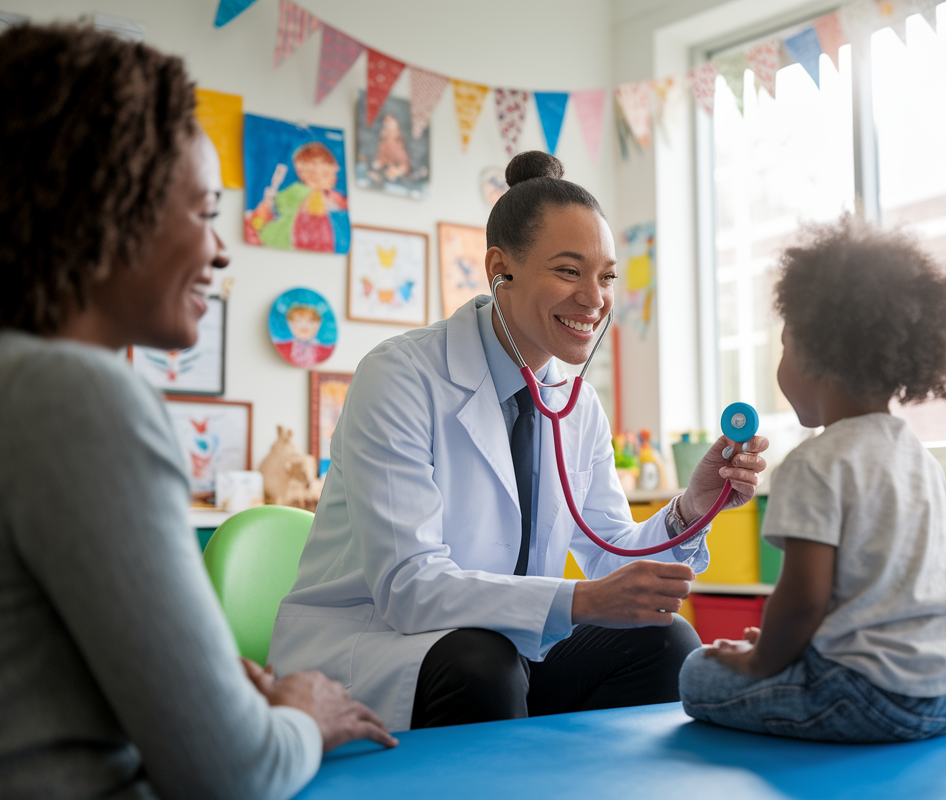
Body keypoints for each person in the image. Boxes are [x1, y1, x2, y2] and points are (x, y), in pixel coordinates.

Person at [0, 24, 395, 799]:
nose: (220, 251)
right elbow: (234, 773)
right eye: (206, 212)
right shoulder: (73, 397)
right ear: (113, 205)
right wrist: (302, 710)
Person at [269, 151, 770, 732]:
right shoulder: (400, 375)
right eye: (568, 270)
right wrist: (580, 602)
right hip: (375, 644)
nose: (595, 298)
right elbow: (406, 586)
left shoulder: (575, 401)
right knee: (484, 663)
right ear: (499, 268)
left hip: (504, 643)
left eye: (606, 276)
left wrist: (692, 506)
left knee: (664, 638)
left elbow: (611, 552)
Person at [678, 215, 946, 743]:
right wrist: (793, 647)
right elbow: (890, 590)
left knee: (695, 674)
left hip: (870, 696)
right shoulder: (918, 457)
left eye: (783, 346)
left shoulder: (815, 462)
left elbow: (802, 600)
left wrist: (761, 661)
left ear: (814, 353)